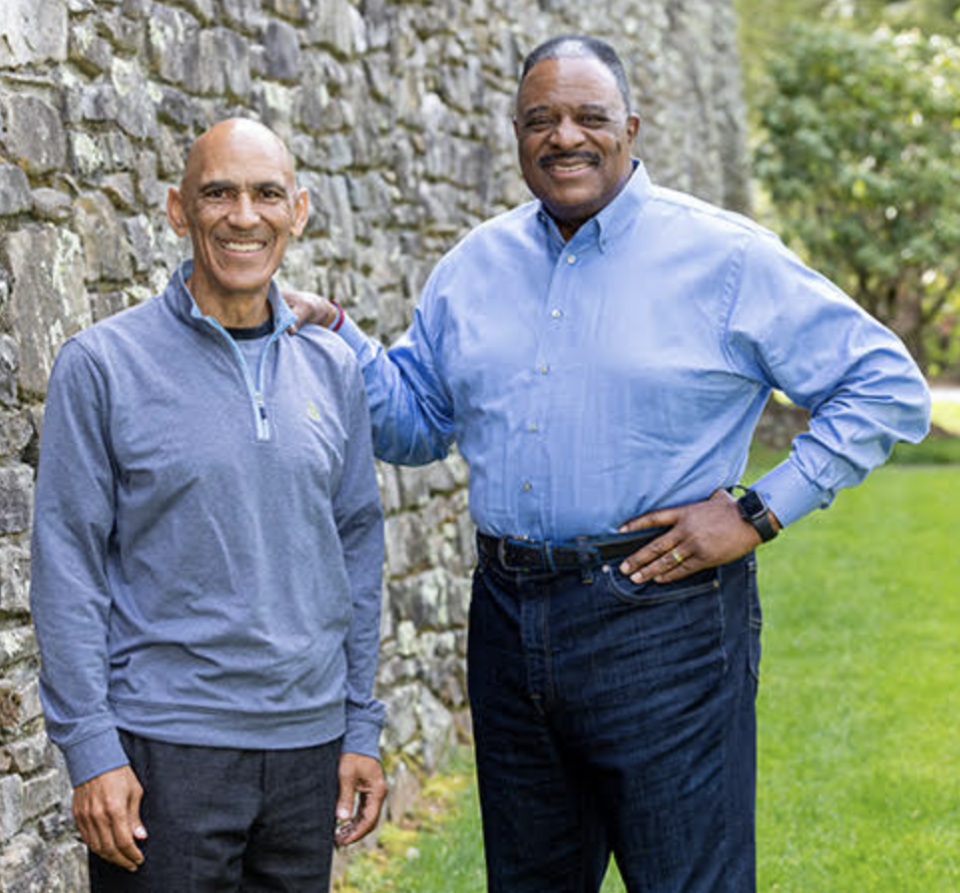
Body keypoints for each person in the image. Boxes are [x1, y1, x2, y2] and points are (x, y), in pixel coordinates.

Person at [286, 35, 931, 892]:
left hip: (663, 617)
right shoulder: (470, 269)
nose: (565, 137)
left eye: (590, 116)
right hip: (508, 622)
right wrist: (336, 336)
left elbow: (886, 385)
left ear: (631, 127)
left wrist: (757, 511)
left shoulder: (726, 258)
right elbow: (416, 424)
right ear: (516, 134)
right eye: (541, 119)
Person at [30, 118, 387, 891]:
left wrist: (361, 725)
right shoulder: (103, 366)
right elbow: (67, 563)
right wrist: (93, 748)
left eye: (265, 194)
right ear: (176, 210)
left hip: (308, 751)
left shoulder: (333, 371)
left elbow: (358, 550)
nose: (243, 215)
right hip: (165, 752)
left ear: (299, 210)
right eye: (217, 193)